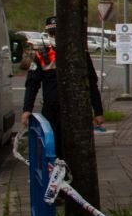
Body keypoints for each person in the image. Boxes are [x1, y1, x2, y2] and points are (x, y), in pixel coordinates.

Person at [21, 15, 104, 155]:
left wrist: (98, 111)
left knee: (75, 150)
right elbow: (32, 84)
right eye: (52, 33)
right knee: (52, 149)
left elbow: (91, 83)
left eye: (58, 32)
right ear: (48, 34)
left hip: (75, 109)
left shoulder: (80, 54)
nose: (55, 36)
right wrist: (27, 109)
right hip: (51, 111)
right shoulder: (42, 56)